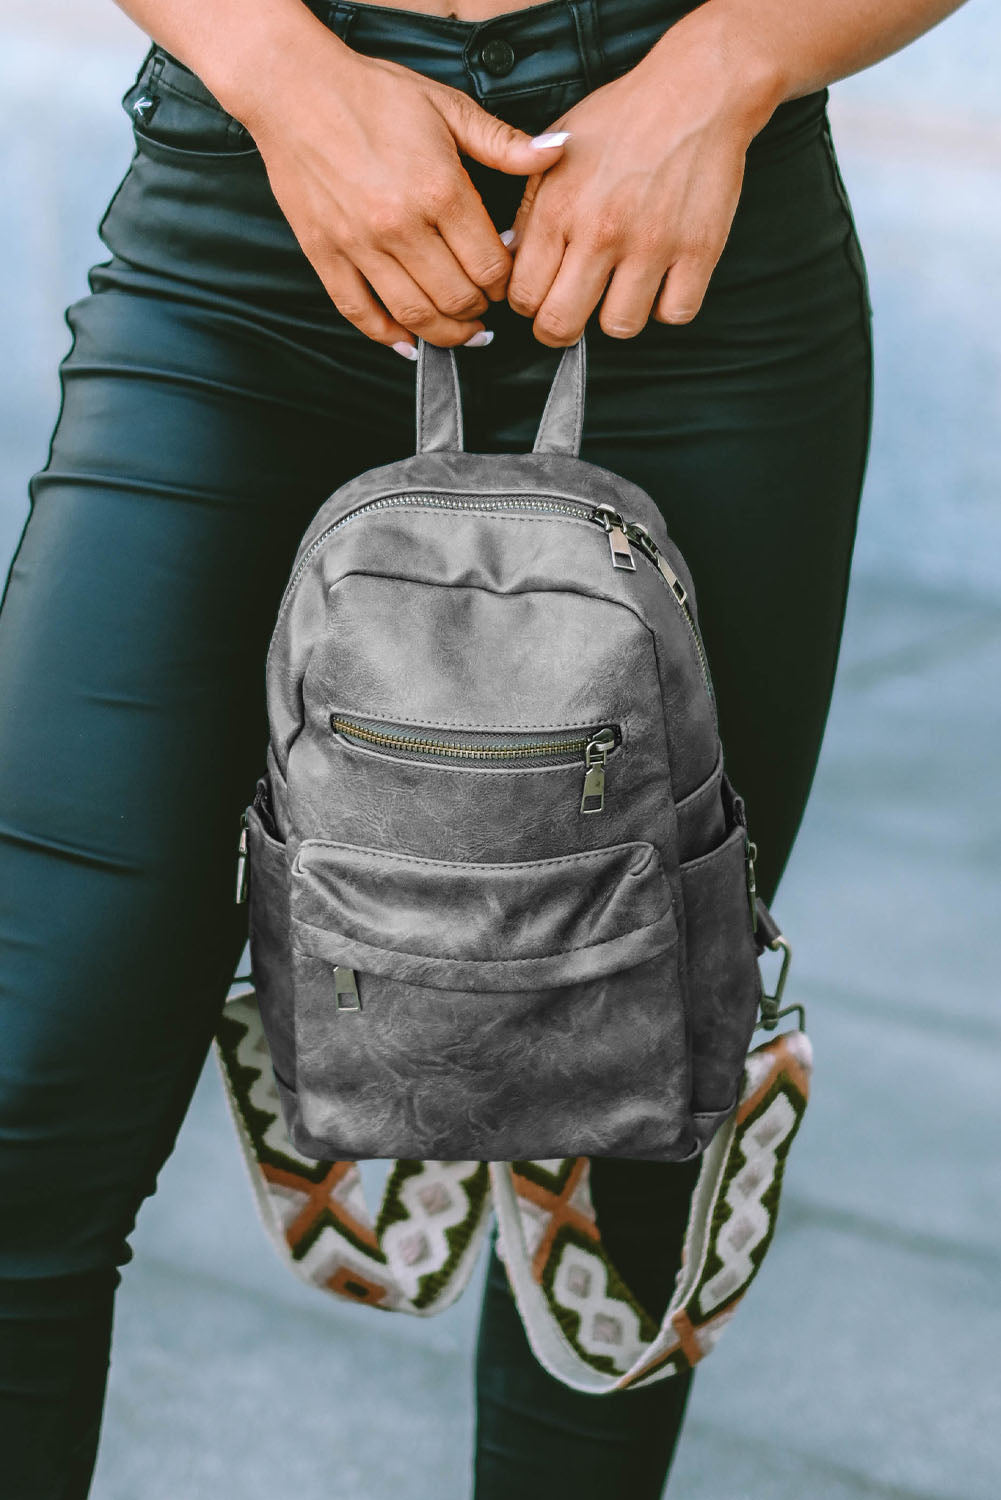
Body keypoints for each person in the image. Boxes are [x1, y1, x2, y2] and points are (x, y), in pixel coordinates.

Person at [0, 0, 966, 1494]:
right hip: (248, 235)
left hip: (680, 248)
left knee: (635, 1100)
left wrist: (736, 64)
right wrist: (277, 68)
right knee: (26, 1082)